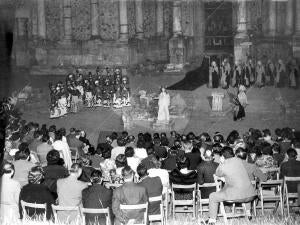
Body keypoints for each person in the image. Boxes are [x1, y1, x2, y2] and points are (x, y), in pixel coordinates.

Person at [206, 147, 256, 224]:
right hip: (250, 195)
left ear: (222, 156)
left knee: (213, 196)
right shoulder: (240, 161)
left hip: (238, 196)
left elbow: (217, 173)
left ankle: (212, 220)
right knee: (240, 187)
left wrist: (221, 163)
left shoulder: (224, 165)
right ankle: (248, 213)